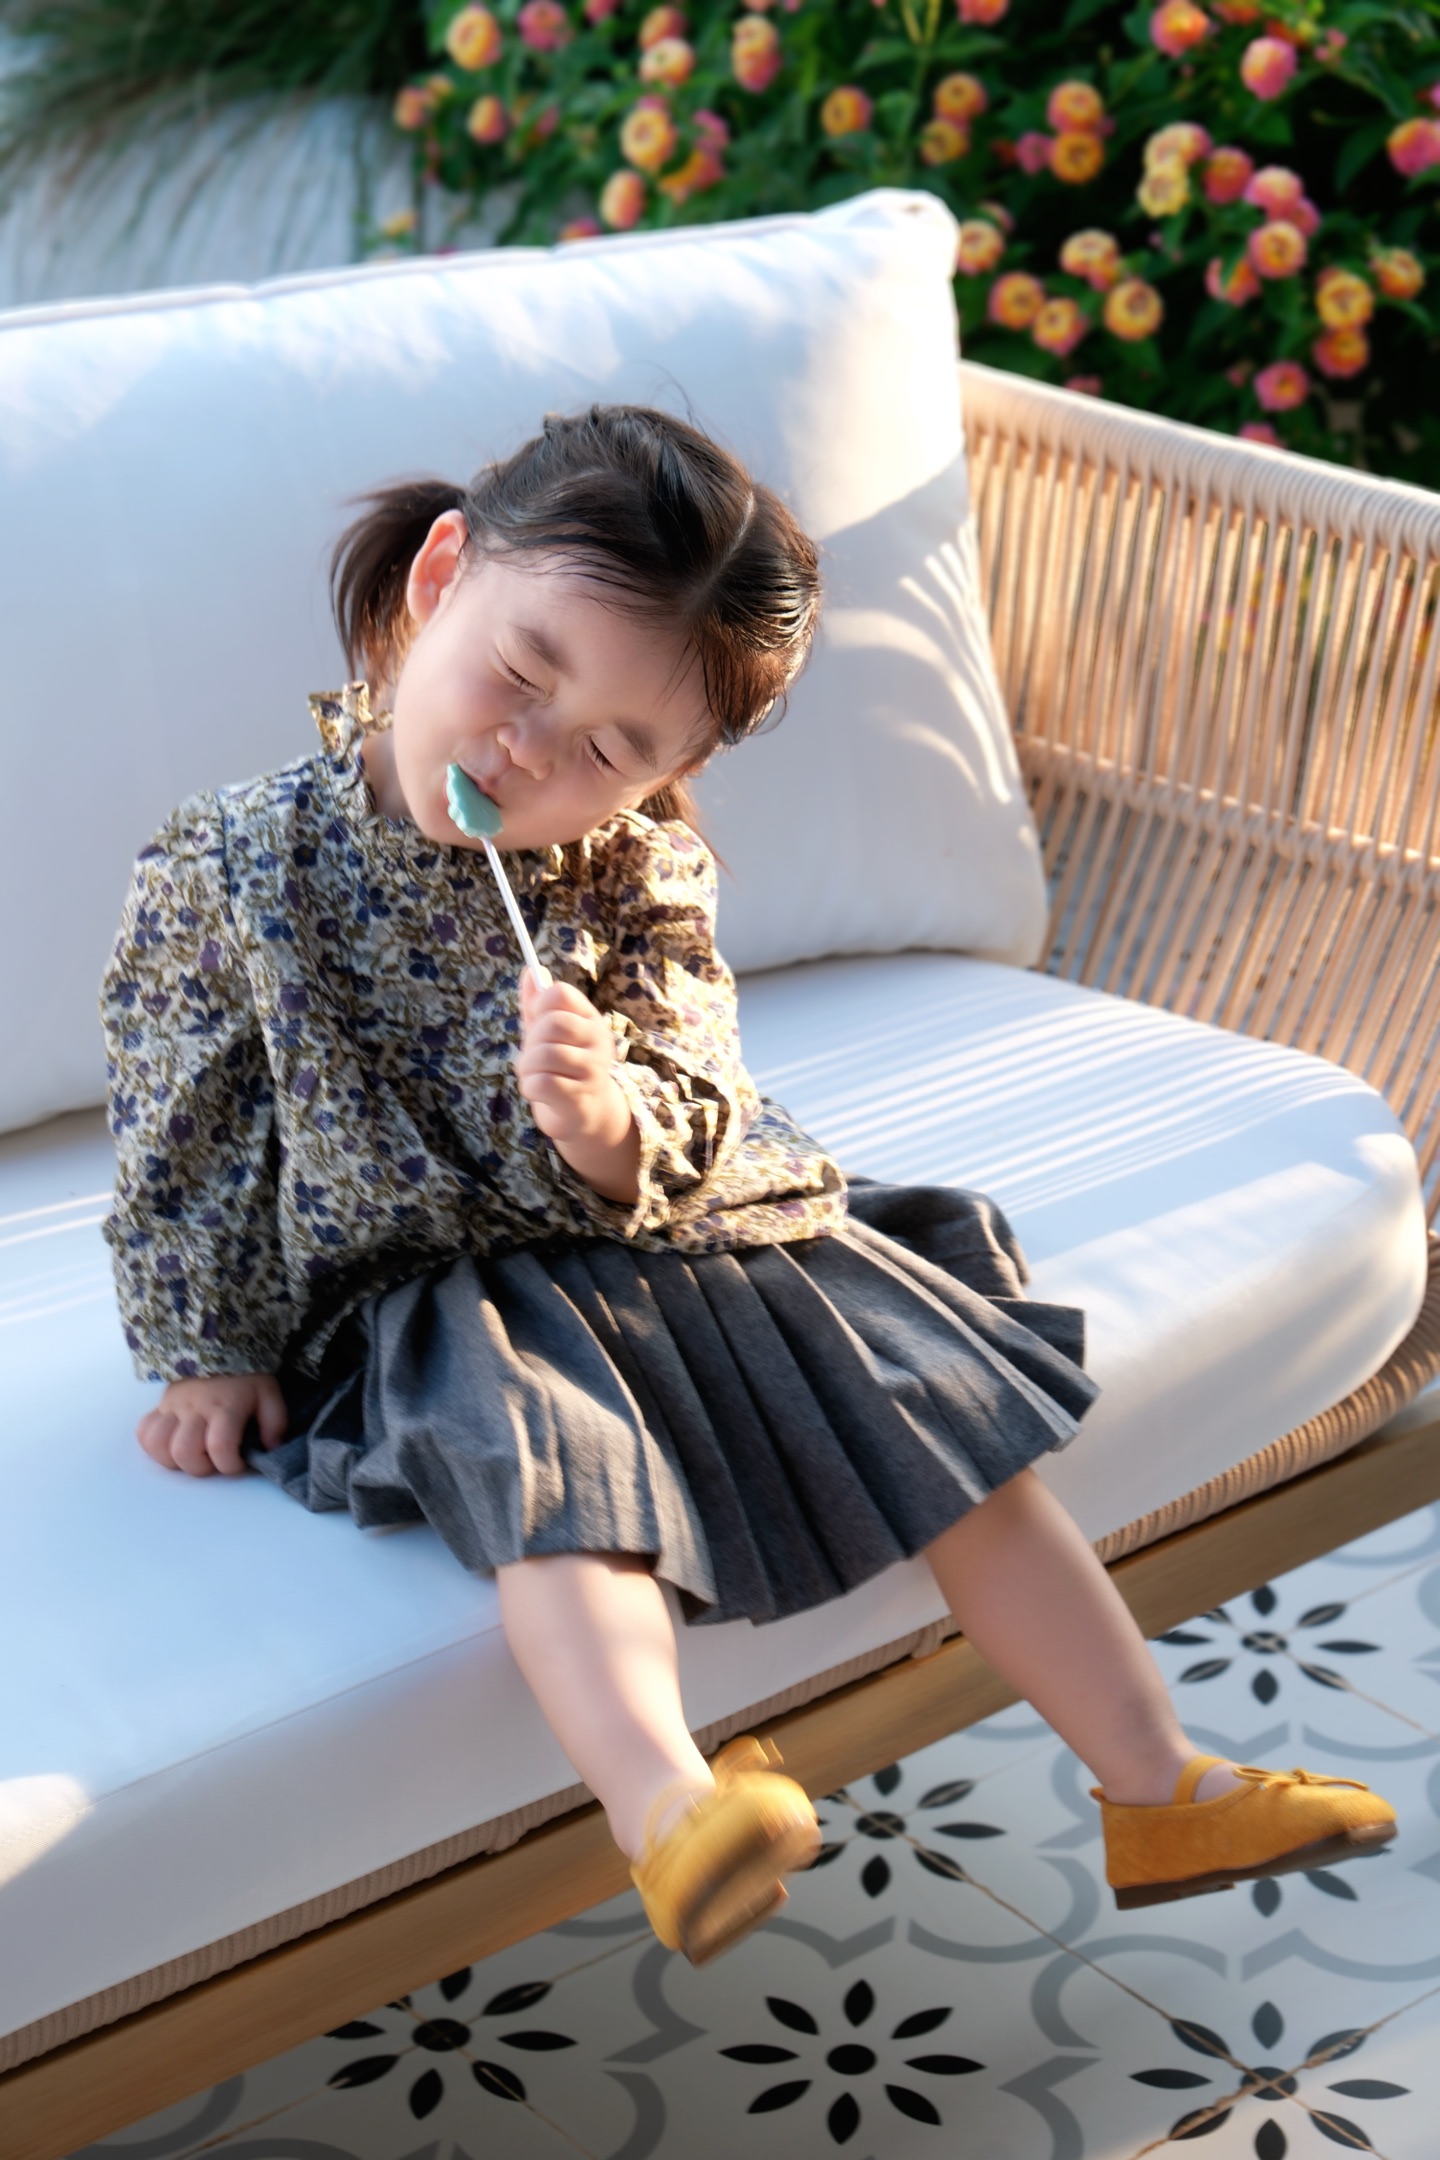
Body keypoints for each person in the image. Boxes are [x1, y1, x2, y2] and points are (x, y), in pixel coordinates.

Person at [102, 404, 1394, 1967]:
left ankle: (1160, 1780)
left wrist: (610, 1120)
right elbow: (185, 1126)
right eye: (521, 673)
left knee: (948, 1434)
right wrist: (207, 1345)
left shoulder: (637, 866)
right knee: (555, 1487)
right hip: (454, 1284)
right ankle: (668, 1810)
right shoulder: (239, 867)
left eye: (611, 749)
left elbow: (698, 1068)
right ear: (443, 579)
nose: (532, 751)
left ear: (674, 768)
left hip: (683, 1224)